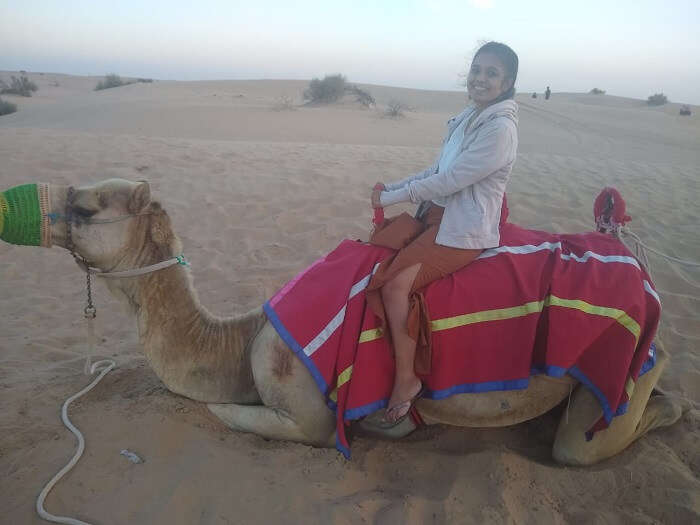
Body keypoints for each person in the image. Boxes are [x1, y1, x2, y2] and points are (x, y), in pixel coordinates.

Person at [368, 41, 519, 424]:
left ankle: (407, 380)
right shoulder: (469, 118)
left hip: (462, 229)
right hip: (437, 214)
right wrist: (393, 190)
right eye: (477, 70)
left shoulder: (499, 130)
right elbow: (434, 171)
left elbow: (450, 181)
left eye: (491, 73)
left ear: (507, 83)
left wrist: (395, 196)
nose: (480, 79)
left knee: (395, 286)